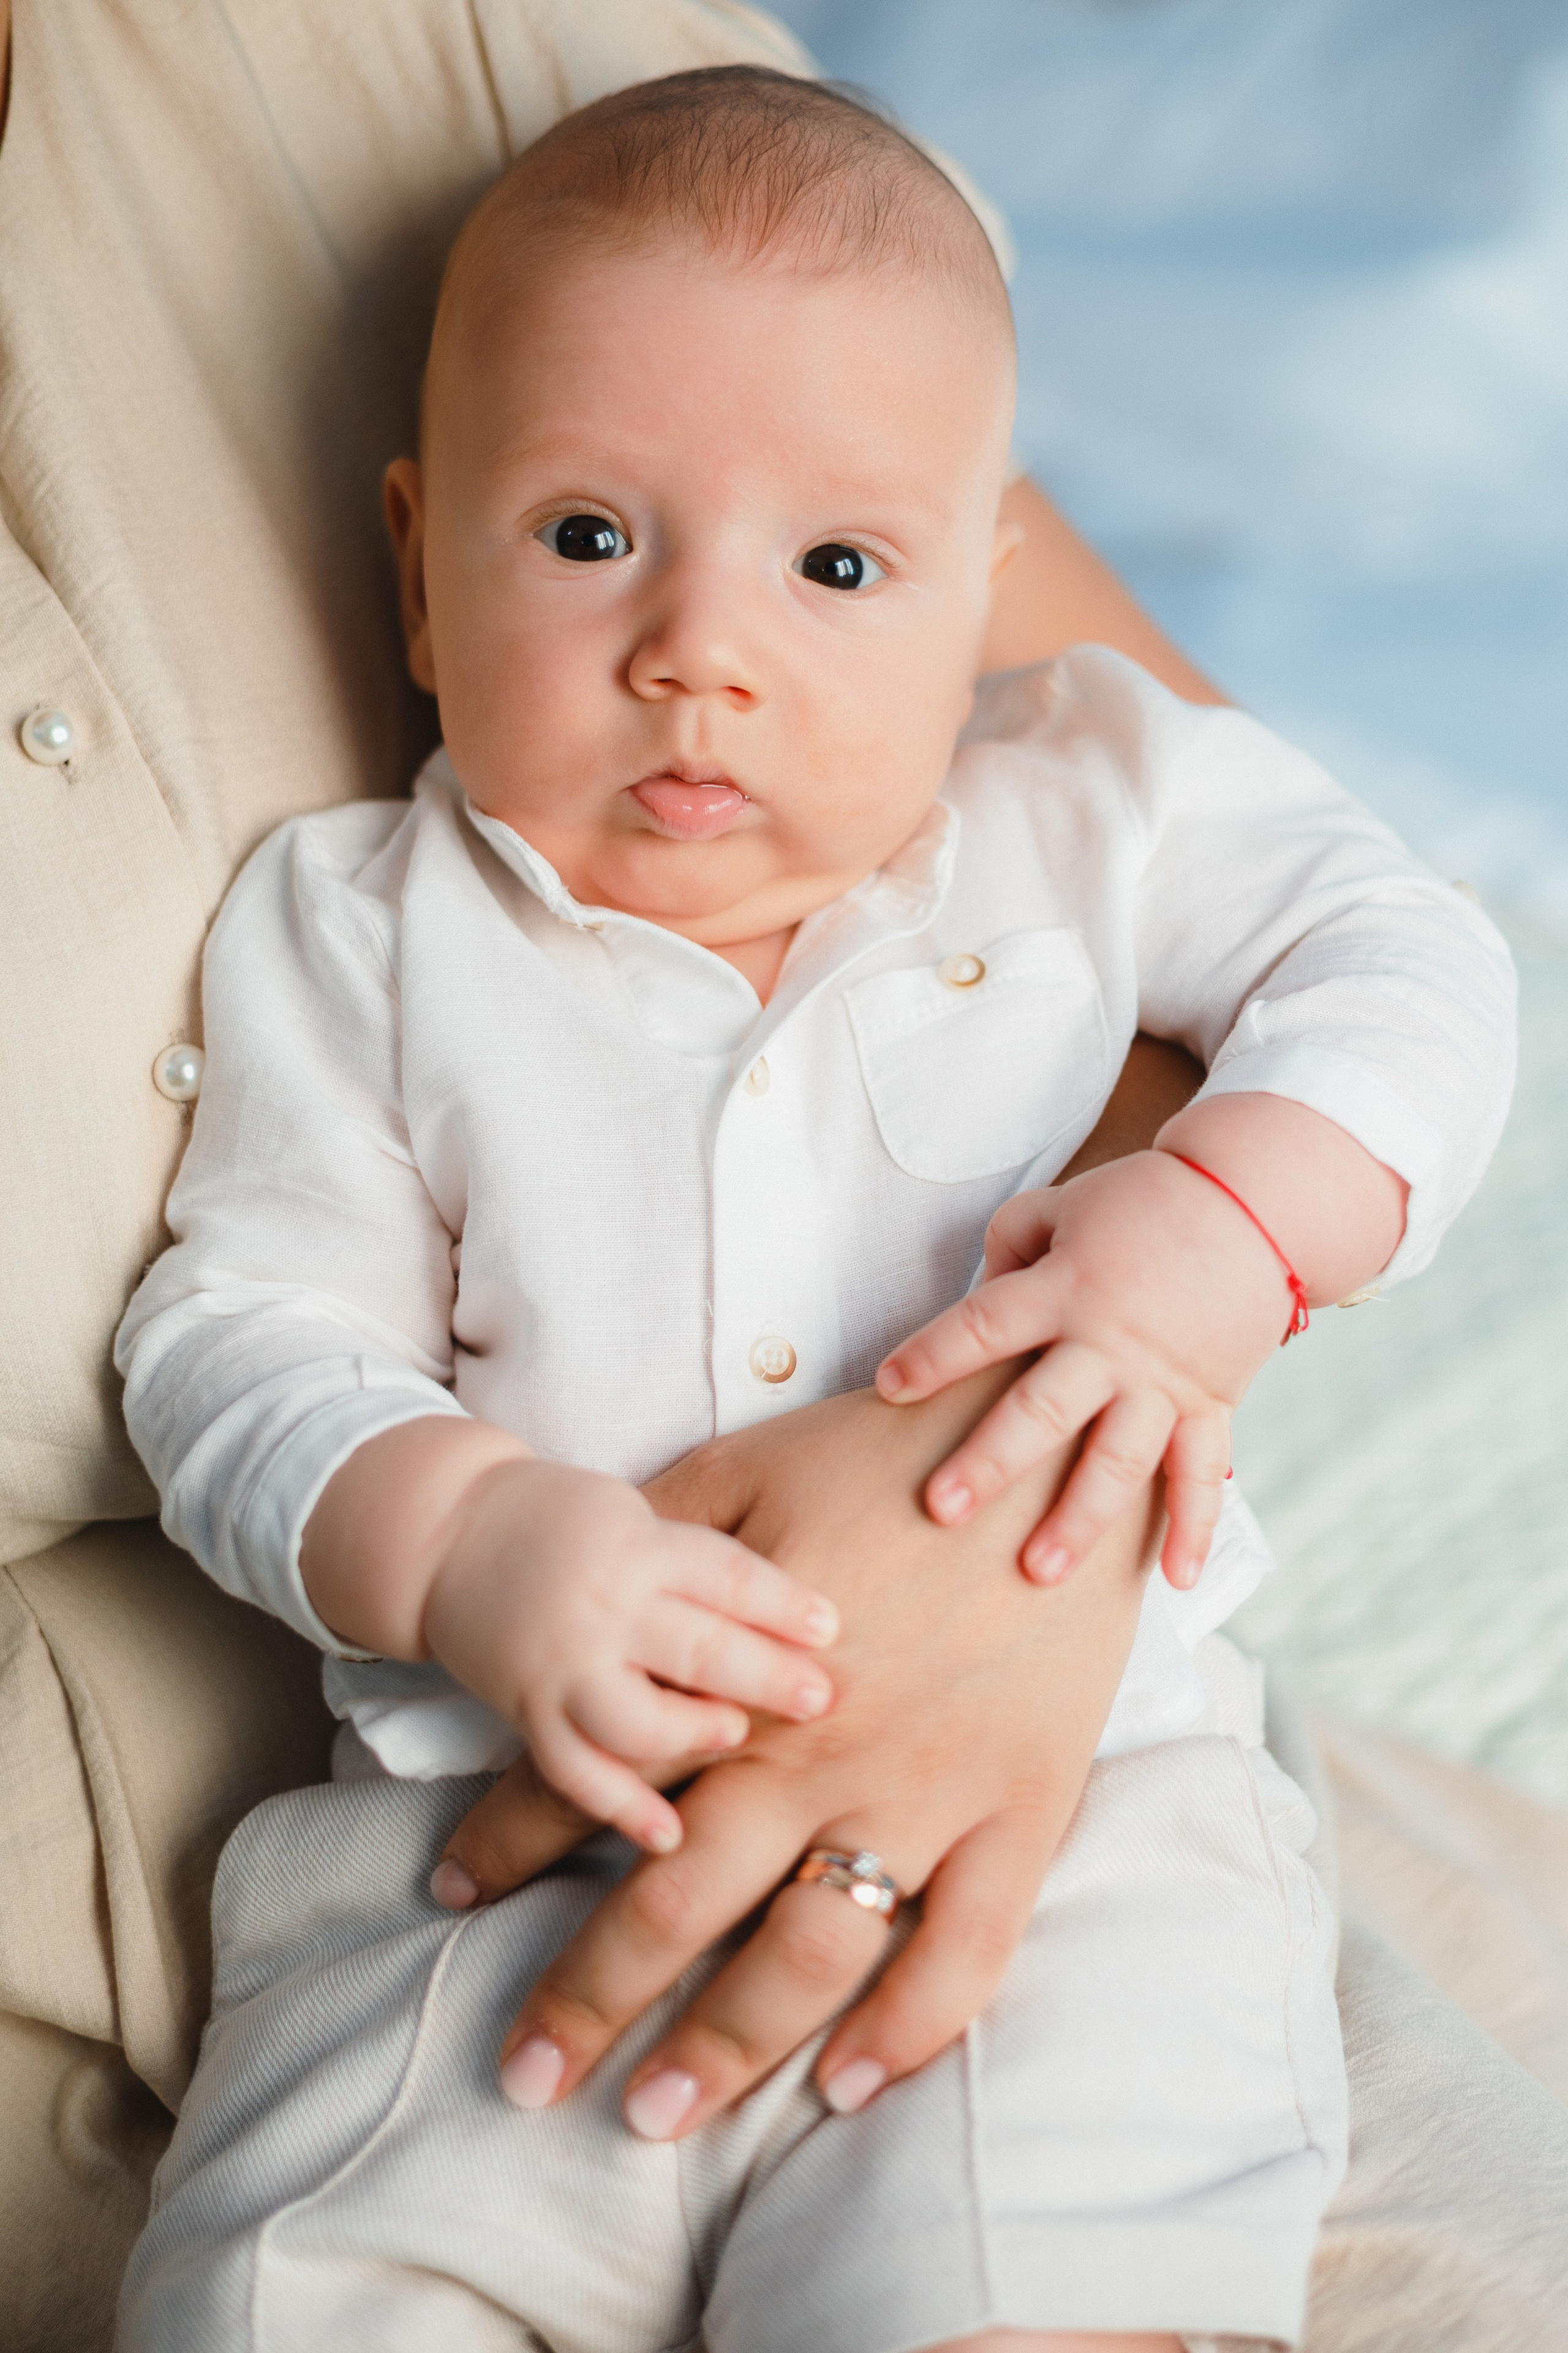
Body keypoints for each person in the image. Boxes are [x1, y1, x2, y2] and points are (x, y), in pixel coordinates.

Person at [110, 67, 1514, 2353]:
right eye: (584, 537)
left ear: (984, 584)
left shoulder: (1094, 804)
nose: (698, 648)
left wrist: (1231, 1232)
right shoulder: (362, 931)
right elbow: (241, 1332)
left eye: (839, 567)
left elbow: (1413, 960)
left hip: (1067, 1850)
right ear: (413, 567)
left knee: (1030, 2285)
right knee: (320, 2285)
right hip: (490, 1853)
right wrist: (461, 1538)